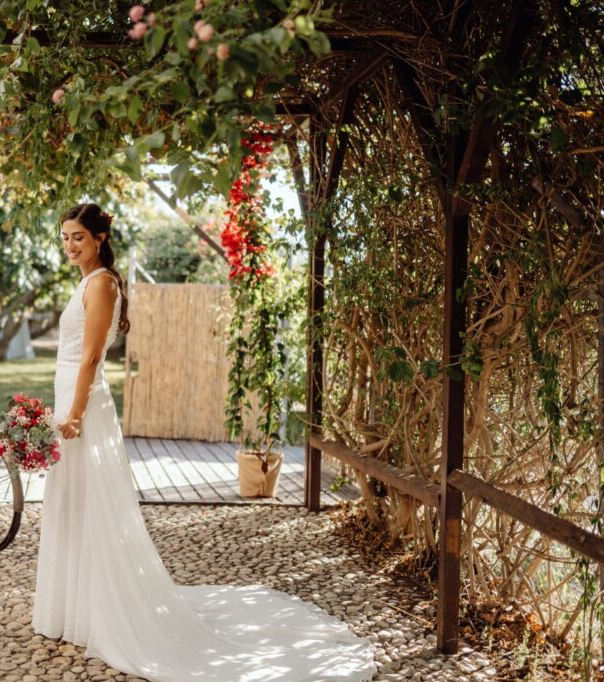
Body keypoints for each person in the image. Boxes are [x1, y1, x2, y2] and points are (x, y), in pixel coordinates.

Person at [32, 202, 377, 681]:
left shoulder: (103, 283)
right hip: (69, 395)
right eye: (65, 236)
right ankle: (74, 607)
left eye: (78, 238)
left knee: (92, 503)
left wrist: (72, 416)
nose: (70, 245)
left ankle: (105, 611)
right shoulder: (86, 281)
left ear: (100, 240)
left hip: (82, 405)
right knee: (71, 501)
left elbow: (91, 357)